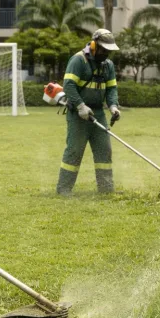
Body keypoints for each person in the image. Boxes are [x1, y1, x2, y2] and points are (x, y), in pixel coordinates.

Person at [56, 29, 121, 195]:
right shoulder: (79, 60)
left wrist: (113, 106)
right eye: (103, 50)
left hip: (98, 114)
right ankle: (64, 189)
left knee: (104, 150)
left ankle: (106, 190)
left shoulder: (108, 65)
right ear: (93, 45)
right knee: (74, 151)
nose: (106, 53)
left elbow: (111, 88)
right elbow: (69, 85)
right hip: (78, 115)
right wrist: (80, 106)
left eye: (109, 51)